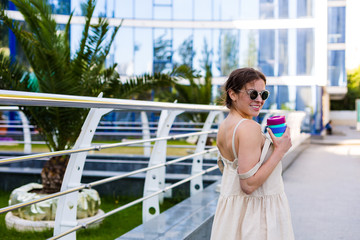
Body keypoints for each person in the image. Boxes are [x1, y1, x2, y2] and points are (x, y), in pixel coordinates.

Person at [210, 68, 294, 240]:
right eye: (253, 93)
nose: (259, 100)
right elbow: (248, 185)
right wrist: (280, 151)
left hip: (233, 215)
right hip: (255, 217)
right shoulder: (249, 127)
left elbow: (233, 170)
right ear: (232, 94)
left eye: (263, 95)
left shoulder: (224, 126)